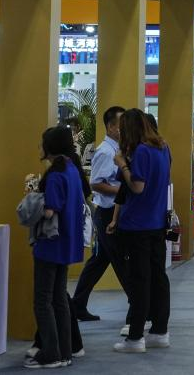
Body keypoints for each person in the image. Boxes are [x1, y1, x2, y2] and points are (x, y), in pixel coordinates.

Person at [25, 126, 90, 369]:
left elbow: (50, 210)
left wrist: (31, 199)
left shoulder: (54, 175)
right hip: (67, 242)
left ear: (50, 147)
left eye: (42, 143)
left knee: (43, 301)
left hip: (50, 244)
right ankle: (65, 352)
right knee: (60, 298)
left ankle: (50, 353)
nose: (39, 147)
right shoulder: (72, 169)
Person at [110, 109, 172, 353]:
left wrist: (122, 164)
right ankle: (159, 331)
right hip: (157, 222)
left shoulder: (142, 152)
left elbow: (136, 187)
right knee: (158, 278)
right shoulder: (163, 148)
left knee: (140, 282)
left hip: (137, 225)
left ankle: (135, 337)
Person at [71, 106, 130, 323]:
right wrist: (124, 191)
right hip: (107, 213)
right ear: (112, 127)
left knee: (99, 261)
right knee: (121, 261)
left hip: (112, 211)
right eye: (122, 125)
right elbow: (96, 184)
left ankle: (78, 305)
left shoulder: (118, 149)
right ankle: (138, 305)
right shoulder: (106, 152)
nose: (126, 129)